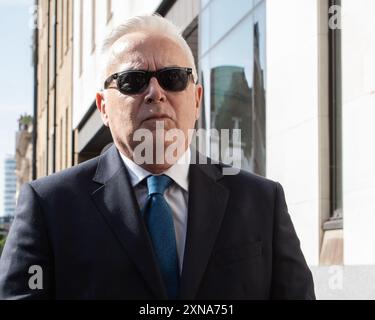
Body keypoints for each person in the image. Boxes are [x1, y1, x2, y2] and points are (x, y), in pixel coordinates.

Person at [0, 14, 315, 300]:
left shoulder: (262, 201)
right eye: (132, 81)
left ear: (197, 98)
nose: (155, 92)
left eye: (173, 77)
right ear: (103, 107)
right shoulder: (48, 206)